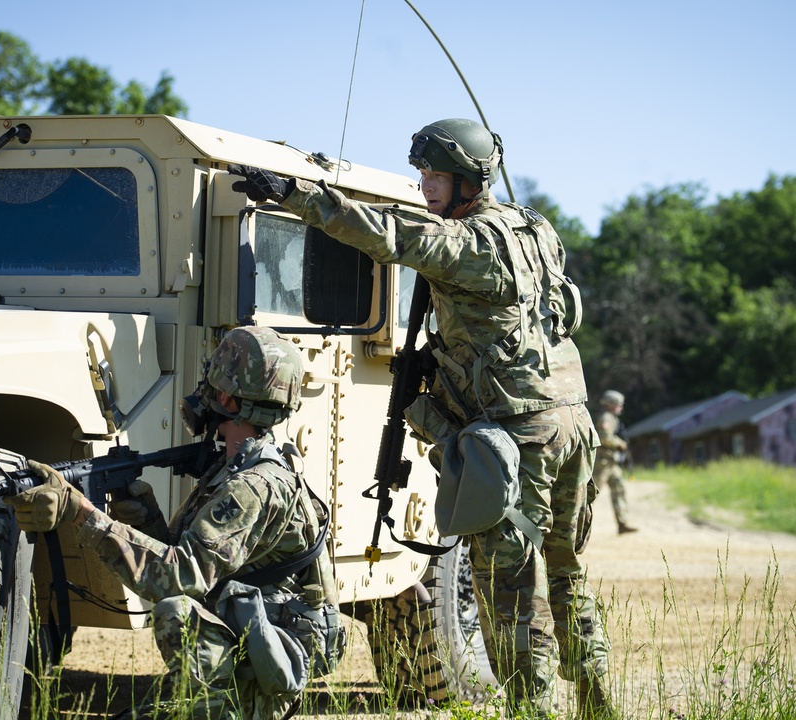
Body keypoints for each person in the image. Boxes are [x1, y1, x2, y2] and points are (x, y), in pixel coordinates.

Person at [230, 118, 615, 719]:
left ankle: (532, 711)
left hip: (521, 434)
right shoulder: (535, 228)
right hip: (571, 419)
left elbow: (387, 236)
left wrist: (293, 194)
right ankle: (598, 703)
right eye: (423, 172)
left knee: (508, 594)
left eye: (436, 174)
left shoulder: (469, 245)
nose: (425, 184)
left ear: (468, 180)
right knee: (564, 572)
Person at [4, 326, 344, 720]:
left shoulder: (253, 485)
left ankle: (231, 706)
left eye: (213, 384)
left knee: (176, 612)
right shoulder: (241, 465)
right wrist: (147, 519)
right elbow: (203, 562)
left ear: (226, 398)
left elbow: (180, 577)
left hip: (268, 669)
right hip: (255, 640)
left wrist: (79, 513)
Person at [593, 389, 637, 535]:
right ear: (611, 404)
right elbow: (604, 438)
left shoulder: (612, 418)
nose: (621, 407)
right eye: (619, 404)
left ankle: (622, 523)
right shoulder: (606, 418)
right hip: (603, 463)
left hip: (611, 463)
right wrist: (620, 444)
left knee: (619, 489)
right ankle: (575, 522)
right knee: (592, 493)